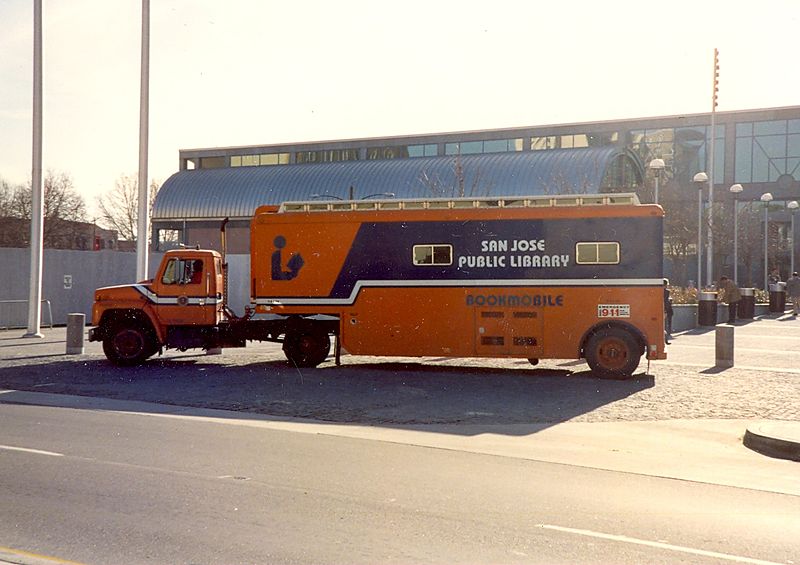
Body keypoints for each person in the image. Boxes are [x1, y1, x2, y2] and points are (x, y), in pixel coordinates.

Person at [663, 278, 673, 344]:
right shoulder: (666, 292)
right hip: (665, 310)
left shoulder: (656, 291)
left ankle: (665, 339)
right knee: (665, 325)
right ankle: (666, 340)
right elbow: (666, 302)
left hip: (661, 310)